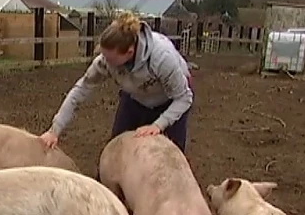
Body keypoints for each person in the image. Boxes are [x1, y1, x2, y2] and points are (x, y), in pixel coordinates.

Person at [40, 11, 194, 154]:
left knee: (172, 157)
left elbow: (184, 97)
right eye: (104, 56)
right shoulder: (107, 61)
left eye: (110, 58)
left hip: (170, 100)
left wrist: (158, 125)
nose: (105, 62)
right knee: (114, 153)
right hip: (135, 97)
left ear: (129, 53)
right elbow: (81, 89)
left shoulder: (162, 59)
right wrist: (55, 130)